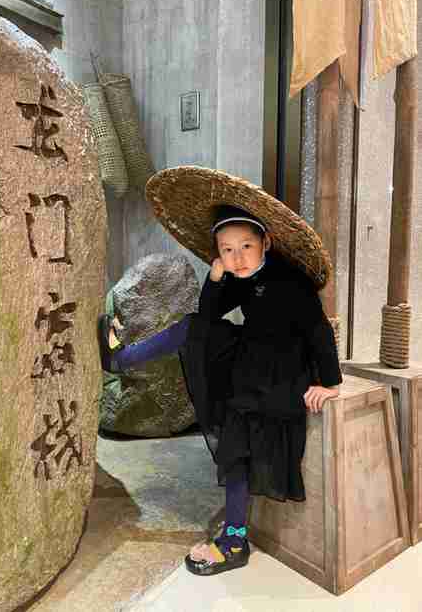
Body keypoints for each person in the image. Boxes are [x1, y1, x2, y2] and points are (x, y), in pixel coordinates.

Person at [98, 168, 342, 577]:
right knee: (194, 326)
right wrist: (214, 279)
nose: (237, 257)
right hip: (249, 358)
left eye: (246, 245)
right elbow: (210, 313)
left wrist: (327, 382)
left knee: (236, 446)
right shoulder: (238, 274)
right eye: (226, 249)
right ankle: (120, 359)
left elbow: (317, 331)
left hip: (280, 375)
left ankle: (233, 540)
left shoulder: (289, 281)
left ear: (266, 241)